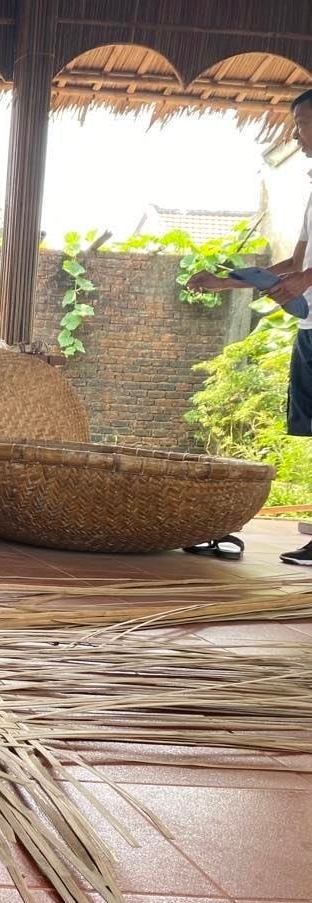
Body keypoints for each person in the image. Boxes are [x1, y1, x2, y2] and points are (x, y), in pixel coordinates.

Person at [188, 88, 312, 566]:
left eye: (302, 123)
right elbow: (298, 261)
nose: (296, 135)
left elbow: (305, 271)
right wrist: (227, 283)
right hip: (308, 326)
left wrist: (302, 279)